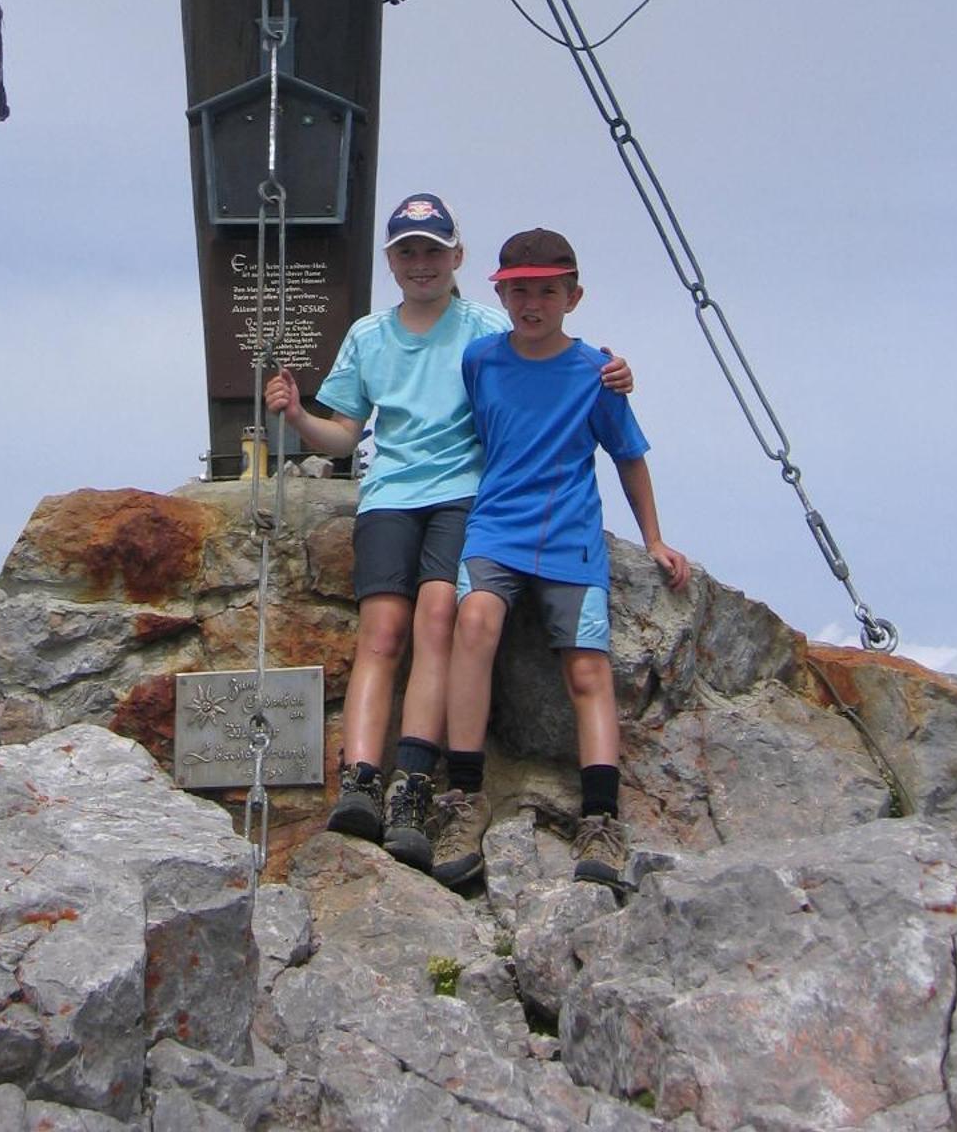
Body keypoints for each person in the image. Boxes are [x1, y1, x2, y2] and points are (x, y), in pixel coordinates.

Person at [264, 194, 634, 869]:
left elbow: (544, 355)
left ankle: (413, 784)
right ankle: (361, 782)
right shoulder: (369, 336)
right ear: (390, 262)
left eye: (434, 249)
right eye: (407, 251)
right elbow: (345, 433)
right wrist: (296, 420)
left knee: (439, 619)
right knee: (379, 632)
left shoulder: (484, 329)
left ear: (457, 257)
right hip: (390, 496)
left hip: (466, 493)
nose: (421, 262)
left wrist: (610, 371)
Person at [431, 227, 690, 893]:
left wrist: (654, 538)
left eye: (548, 290)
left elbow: (628, 456)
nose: (532, 303)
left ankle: (601, 817)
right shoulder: (482, 360)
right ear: (500, 293)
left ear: (574, 296)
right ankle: (463, 799)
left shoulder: (597, 374)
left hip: (570, 537)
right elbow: (476, 437)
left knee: (586, 670)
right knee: (476, 623)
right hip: (496, 528)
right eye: (519, 290)